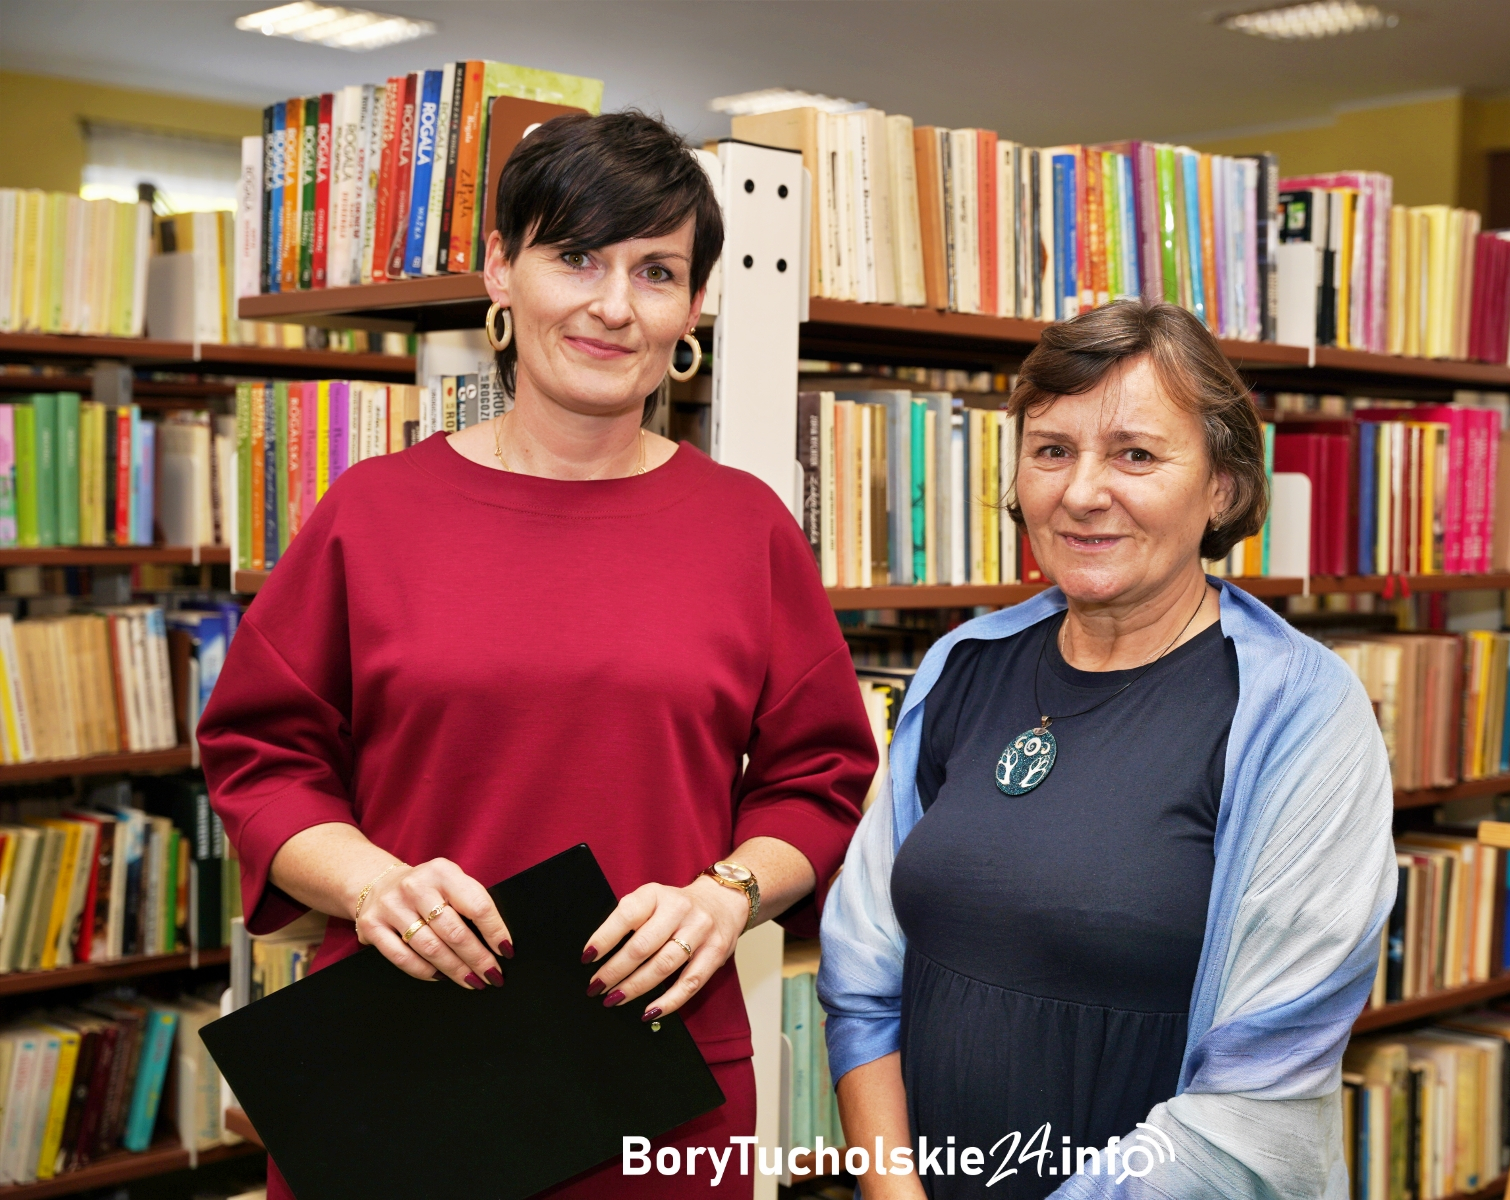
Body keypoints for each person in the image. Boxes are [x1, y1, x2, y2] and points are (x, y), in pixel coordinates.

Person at [200, 111, 876, 1200]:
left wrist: (727, 896)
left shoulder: (746, 528)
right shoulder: (370, 514)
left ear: (695, 305)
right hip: (401, 1052)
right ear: (500, 271)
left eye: (656, 272)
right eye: (576, 257)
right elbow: (259, 758)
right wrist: (371, 885)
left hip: (657, 1064)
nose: (614, 305)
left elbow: (822, 779)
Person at [819, 300, 1396, 1199]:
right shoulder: (961, 667)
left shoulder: (1302, 713)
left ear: (1223, 487)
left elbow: (1257, 1099)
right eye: (1052, 450)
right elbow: (861, 978)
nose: (1083, 491)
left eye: (1136, 455)